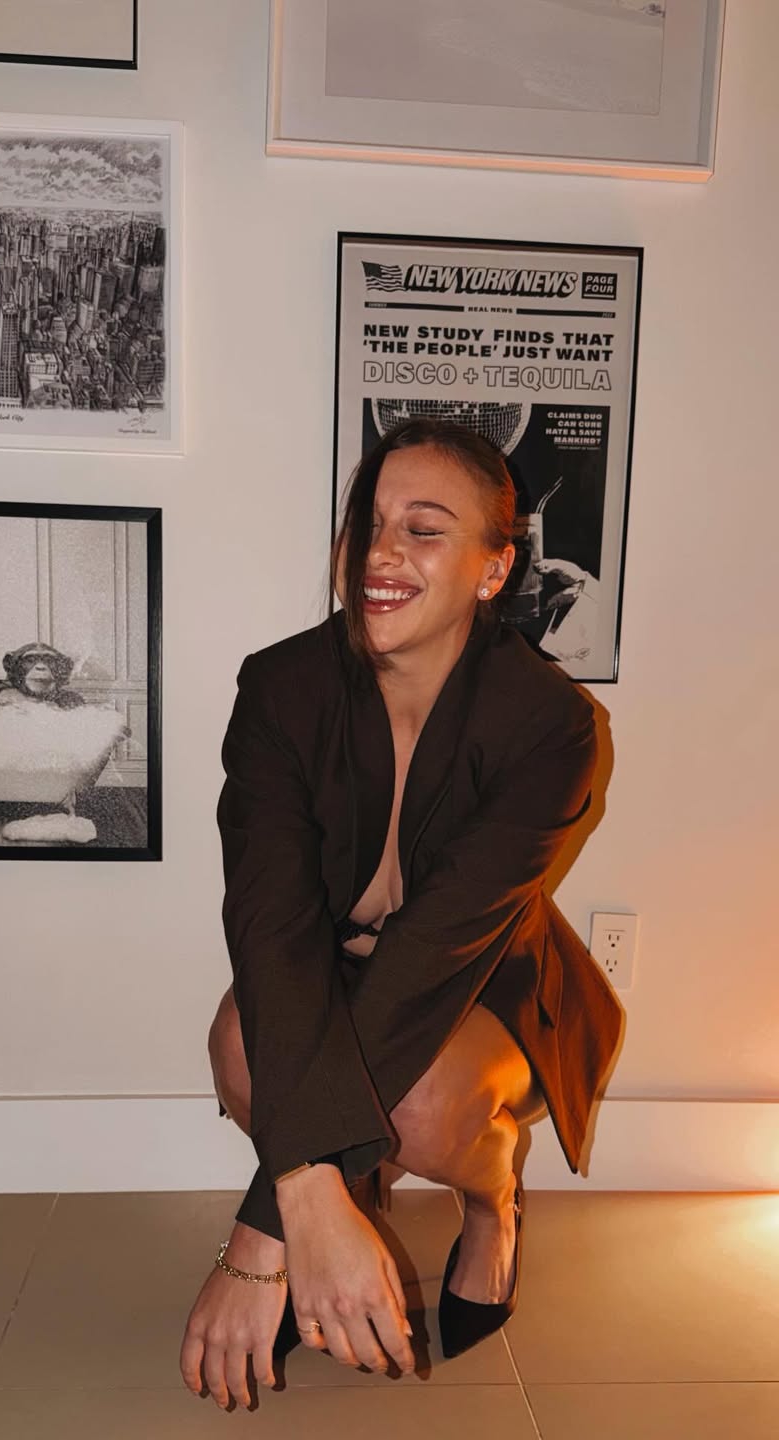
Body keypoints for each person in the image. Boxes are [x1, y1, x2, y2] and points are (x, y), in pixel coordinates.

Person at [179, 417, 623, 1409]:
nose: (380, 553)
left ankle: (493, 1199)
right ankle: (342, 1191)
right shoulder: (283, 687)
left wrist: (265, 1230)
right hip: (335, 968)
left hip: (481, 981)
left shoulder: (552, 727)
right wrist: (310, 1192)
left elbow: (433, 953)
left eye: (423, 529)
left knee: (416, 1106)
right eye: (369, 524)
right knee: (242, 1043)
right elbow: (271, 920)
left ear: (493, 568)